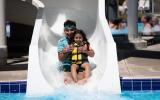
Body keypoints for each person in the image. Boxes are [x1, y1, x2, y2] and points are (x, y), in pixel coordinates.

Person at [57, 20, 77, 84]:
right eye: (67, 30)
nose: (69, 32)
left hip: (77, 63)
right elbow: (60, 58)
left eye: (72, 30)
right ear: (64, 31)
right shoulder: (61, 41)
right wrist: (66, 51)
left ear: (75, 30)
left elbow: (91, 53)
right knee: (68, 80)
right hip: (66, 64)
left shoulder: (79, 39)